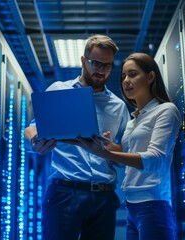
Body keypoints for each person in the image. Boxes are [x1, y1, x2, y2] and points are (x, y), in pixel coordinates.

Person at [24, 34, 130, 240]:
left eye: (107, 66)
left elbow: (127, 153)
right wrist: (35, 140)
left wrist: (108, 149)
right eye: (95, 63)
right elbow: (32, 128)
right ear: (83, 61)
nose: (101, 70)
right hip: (64, 193)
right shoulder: (58, 90)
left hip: (104, 196)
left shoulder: (118, 106)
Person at [77, 52, 181, 240]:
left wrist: (106, 154)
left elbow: (154, 159)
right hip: (132, 205)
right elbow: (129, 155)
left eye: (133, 74)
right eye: (123, 76)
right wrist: (107, 145)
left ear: (150, 77)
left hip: (153, 205)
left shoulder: (166, 111)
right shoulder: (134, 119)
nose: (126, 81)